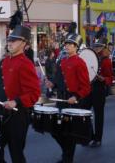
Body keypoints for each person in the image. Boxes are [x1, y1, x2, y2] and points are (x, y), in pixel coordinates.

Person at [0, 24, 41, 163]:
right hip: (1, 114)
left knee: (16, 154)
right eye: (9, 40)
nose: (9, 43)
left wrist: (16, 101)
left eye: (14, 40)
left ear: (24, 43)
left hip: (18, 116)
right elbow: (1, 85)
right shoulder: (5, 62)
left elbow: (34, 93)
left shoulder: (26, 64)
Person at [45, 33, 91, 163]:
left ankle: (67, 158)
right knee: (55, 131)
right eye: (66, 44)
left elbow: (86, 87)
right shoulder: (62, 61)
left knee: (69, 133)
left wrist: (76, 96)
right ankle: (66, 153)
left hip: (73, 102)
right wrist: (52, 84)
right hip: (61, 101)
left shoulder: (80, 62)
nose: (67, 46)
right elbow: (59, 79)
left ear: (76, 47)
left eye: (71, 44)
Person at [85, 37, 113, 147]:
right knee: (84, 111)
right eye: (95, 46)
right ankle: (89, 135)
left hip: (99, 89)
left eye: (99, 46)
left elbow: (111, 78)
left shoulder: (106, 60)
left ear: (103, 47)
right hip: (88, 89)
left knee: (98, 115)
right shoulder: (90, 57)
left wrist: (104, 79)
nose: (97, 48)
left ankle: (98, 139)